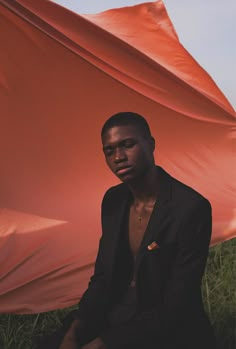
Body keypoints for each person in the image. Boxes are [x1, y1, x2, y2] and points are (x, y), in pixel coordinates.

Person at [38, 112, 216, 349]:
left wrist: (106, 343)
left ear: (151, 144)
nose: (118, 157)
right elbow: (102, 277)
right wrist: (75, 330)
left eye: (127, 145)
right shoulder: (113, 200)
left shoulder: (190, 208)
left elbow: (177, 304)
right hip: (114, 313)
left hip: (168, 328)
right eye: (109, 151)